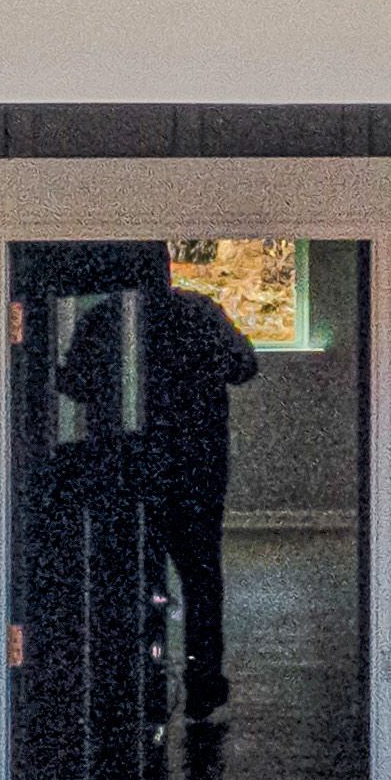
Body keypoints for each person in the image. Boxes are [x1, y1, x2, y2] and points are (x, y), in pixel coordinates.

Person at [137, 264, 263, 719]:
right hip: (198, 465)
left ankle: (143, 683)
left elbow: (72, 381)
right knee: (202, 579)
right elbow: (244, 365)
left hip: (135, 468)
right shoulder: (199, 312)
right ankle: (202, 682)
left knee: (135, 578)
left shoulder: (112, 315)